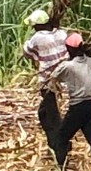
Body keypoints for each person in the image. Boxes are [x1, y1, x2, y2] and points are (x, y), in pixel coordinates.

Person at [49, 33, 91, 170]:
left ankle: (61, 167)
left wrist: (56, 89)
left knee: (62, 137)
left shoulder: (68, 66)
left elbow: (54, 77)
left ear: (69, 49)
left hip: (78, 106)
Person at [22, 9, 68, 147]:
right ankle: (54, 142)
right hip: (63, 79)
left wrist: (26, 44)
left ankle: (60, 144)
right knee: (44, 112)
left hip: (47, 82)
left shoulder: (37, 38)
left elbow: (27, 51)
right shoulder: (62, 33)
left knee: (52, 116)